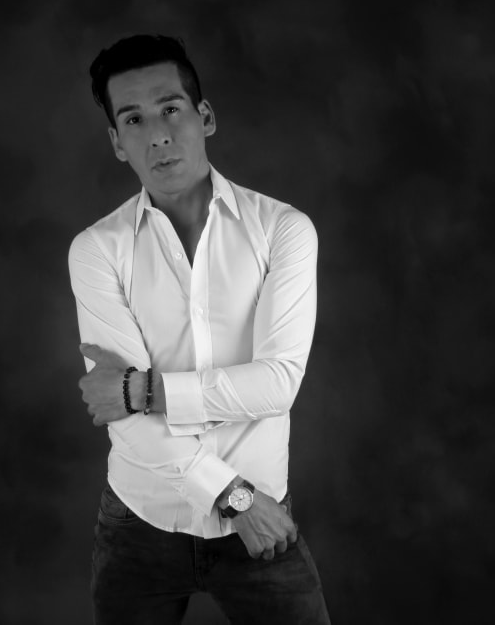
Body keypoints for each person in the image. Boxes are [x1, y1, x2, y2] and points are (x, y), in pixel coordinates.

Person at [68, 34, 330, 624]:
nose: (157, 135)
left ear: (204, 117)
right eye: (133, 119)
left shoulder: (283, 230)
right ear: (117, 143)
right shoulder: (96, 250)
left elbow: (278, 383)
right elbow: (123, 419)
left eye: (171, 109)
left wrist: (143, 389)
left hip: (262, 530)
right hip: (142, 524)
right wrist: (234, 498)